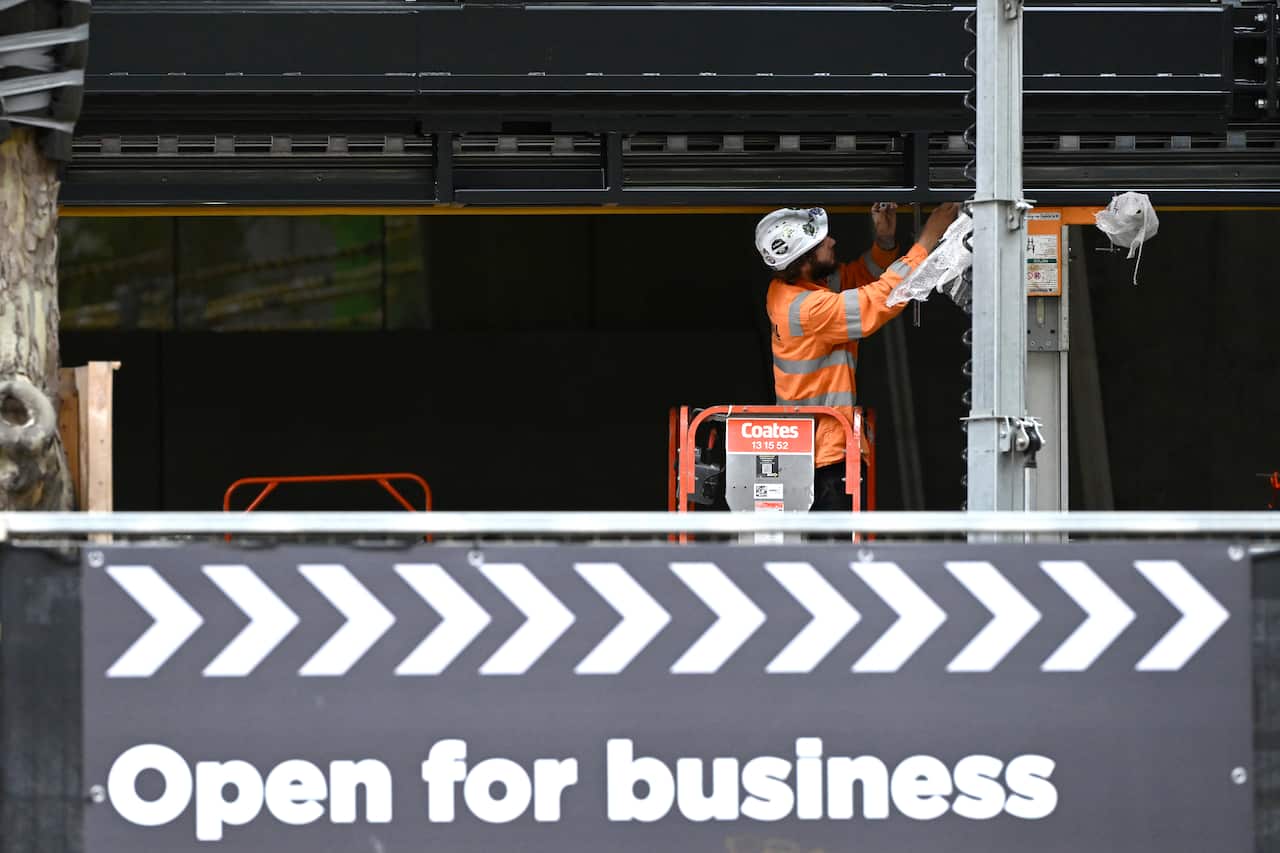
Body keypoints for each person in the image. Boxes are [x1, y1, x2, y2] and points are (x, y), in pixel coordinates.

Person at [754, 201, 960, 510]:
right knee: (833, 552)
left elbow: (857, 279)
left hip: (810, 445)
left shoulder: (788, 290)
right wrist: (927, 240)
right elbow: (880, 298)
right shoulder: (809, 310)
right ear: (805, 258)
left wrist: (885, 243)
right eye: (824, 242)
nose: (832, 242)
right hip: (824, 452)